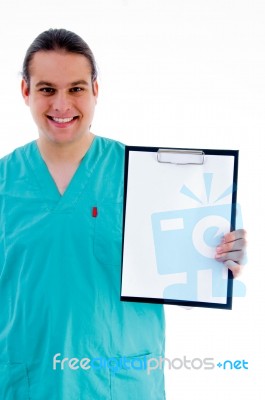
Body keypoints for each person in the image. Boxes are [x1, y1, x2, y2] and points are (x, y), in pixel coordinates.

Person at [0, 28, 246, 400]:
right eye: (47, 89)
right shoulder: (4, 182)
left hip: (118, 384)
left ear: (96, 90)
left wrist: (222, 256)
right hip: (27, 382)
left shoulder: (148, 177)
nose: (62, 105)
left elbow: (194, 265)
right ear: (26, 92)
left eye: (77, 88)